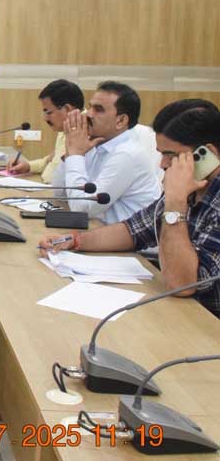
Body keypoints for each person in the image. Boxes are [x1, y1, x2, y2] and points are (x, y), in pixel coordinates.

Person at [40, 102, 220, 319]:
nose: (163, 164)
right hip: (184, 313)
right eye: (161, 154)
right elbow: (133, 230)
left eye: (171, 155)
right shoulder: (189, 188)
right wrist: (75, 240)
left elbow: (182, 285)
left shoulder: (183, 193)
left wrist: (175, 204)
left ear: (207, 154)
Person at [51, 81, 161, 224]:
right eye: (90, 107)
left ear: (121, 121)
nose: (89, 114)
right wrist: (70, 150)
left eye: (98, 109)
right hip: (98, 229)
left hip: (126, 237)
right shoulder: (96, 143)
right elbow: (60, 193)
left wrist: (76, 154)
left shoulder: (127, 154)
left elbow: (83, 208)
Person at [8, 79, 84, 182]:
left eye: (48, 112)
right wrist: (28, 166)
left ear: (67, 109)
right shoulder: (67, 126)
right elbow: (51, 160)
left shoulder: (85, 133)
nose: (45, 118)